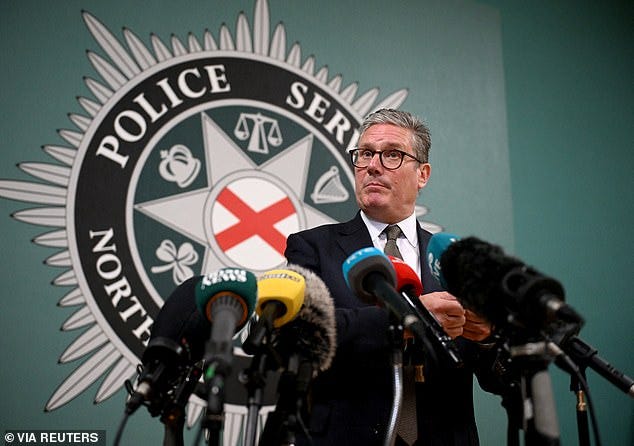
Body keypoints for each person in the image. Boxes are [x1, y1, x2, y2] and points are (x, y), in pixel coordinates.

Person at [284, 108, 505, 445]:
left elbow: (503, 380)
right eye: (365, 154)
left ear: (423, 174)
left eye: (391, 155)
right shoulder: (313, 248)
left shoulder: (455, 261)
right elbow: (299, 337)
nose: (372, 165)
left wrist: (488, 338)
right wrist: (408, 319)